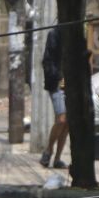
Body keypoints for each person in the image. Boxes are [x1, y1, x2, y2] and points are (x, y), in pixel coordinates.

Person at [40, 27, 68, 169]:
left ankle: (57, 158)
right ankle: (48, 150)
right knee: (61, 118)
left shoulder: (76, 35)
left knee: (67, 124)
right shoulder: (55, 34)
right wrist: (58, 77)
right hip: (57, 84)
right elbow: (47, 60)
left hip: (72, 85)